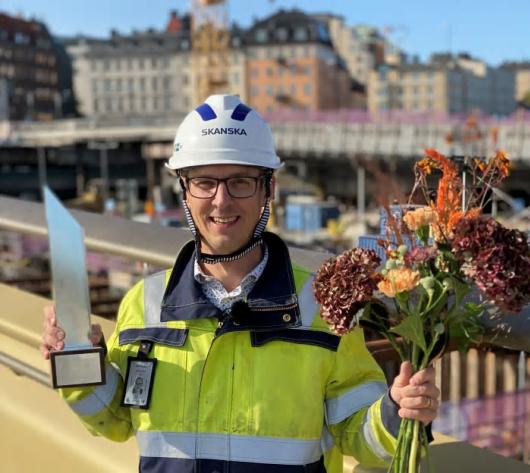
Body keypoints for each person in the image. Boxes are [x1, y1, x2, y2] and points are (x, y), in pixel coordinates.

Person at [40, 94, 439, 472]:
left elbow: (358, 433)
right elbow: (114, 420)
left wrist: (397, 411)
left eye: (241, 182)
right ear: (184, 190)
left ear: (269, 189)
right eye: (204, 182)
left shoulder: (322, 307)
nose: (221, 201)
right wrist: (78, 358)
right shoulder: (143, 303)